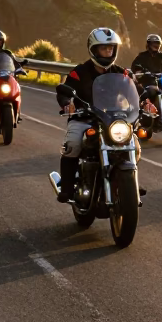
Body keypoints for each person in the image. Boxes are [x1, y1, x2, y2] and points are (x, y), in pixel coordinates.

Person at [54, 27, 130, 202]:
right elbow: (65, 91)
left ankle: (128, 180)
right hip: (84, 118)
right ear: (94, 49)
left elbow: (134, 90)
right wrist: (67, 104)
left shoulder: (120, 73)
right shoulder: (79, 72)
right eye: (104, 48)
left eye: (111, 48)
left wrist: (145, 102)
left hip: (113, 119)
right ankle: (66, 187)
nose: (108, 51)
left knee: (132, 144)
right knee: (72, 144)